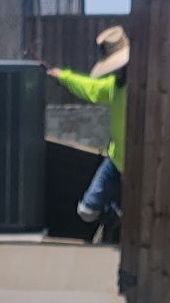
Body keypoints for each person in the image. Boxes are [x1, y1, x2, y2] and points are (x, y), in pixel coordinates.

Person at [48, 23, 130, 228]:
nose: (116, 71)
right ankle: (114, 212)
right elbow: (90, 87)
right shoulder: (113, 86)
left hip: (136, 166)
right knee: (86, 211)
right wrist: (63, 77)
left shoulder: (143, 87)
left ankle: (118, 214)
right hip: (115, 161)